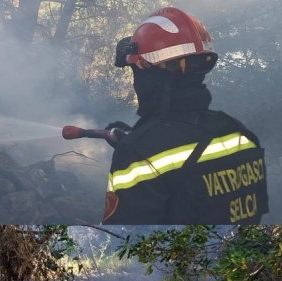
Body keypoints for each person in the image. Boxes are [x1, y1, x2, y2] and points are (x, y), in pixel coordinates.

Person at [102, 6, 268, 224]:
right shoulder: (241, 134)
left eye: (136, 71)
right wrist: (139, 138)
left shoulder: (137, 154)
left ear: (150, 74)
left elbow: (130, 230)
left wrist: (136, 149)